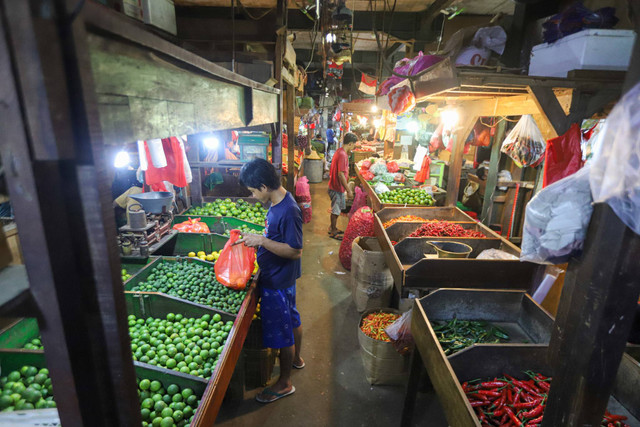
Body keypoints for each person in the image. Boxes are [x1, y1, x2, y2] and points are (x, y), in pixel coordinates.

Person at [237, 158, 304, 403]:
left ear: (264, 187)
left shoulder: (288, 210)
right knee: (292, 318)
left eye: (253, 191)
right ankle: (296, 359)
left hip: (278, 281)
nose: (253, 196)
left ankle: (285, 383)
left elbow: (295, 250)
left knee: (281, 331)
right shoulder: (278, 204)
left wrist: (262, 242)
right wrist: (258, 237)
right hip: (281, 277)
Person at [327, 132, 358, 239]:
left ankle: (333, 227)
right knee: (335, 210)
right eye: (354, 145)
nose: (354, 147)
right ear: (350, 143)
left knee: (337, 209)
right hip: (336, 187)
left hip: (335, 186)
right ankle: (333, 231)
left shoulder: (340, 151)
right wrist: (348, 190)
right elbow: (340, 174)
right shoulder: (343, 155)